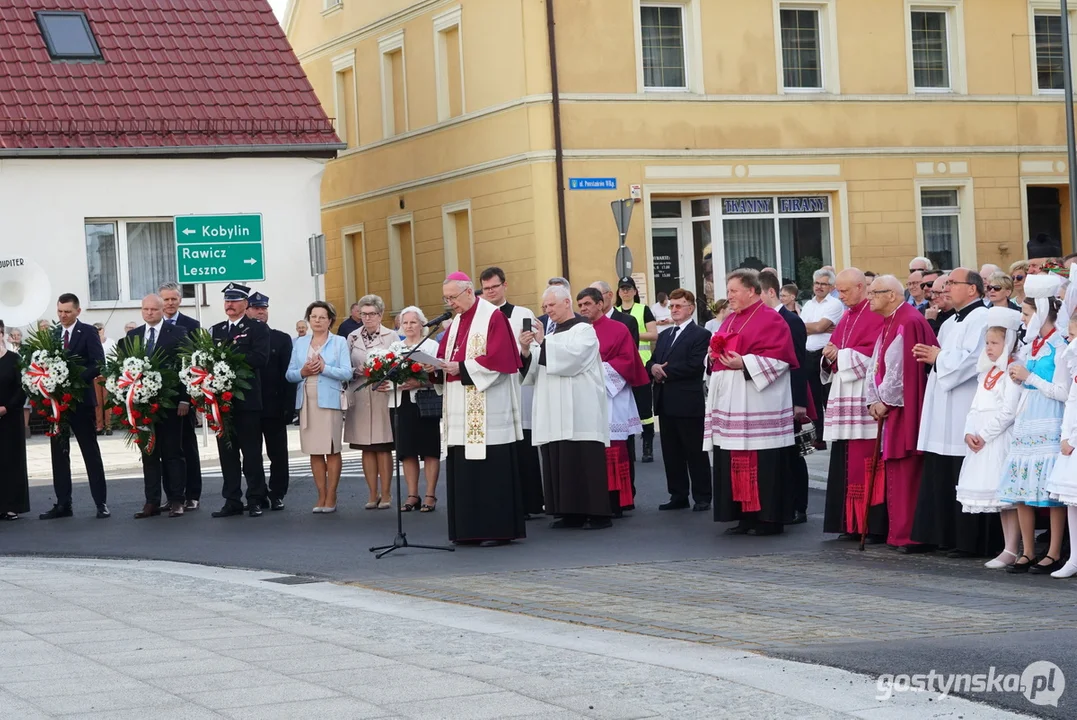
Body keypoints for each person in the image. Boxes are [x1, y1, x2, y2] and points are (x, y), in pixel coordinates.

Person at [911, 268, 998, 558]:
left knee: (961, 469)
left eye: (951, 283)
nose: (945, 288)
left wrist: (938, 358)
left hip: (965, 404)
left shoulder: (984, 318)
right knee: (941, 472)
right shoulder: (950, 323)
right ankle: (944, 536)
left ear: (972, 289)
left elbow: (975, 360)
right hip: (943, 409)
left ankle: (969, 540)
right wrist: (933, 358)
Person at [437, 272, 526, 546]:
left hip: (488, 410)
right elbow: (445, 356)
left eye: (453, 297)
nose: (450, 303)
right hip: (460, 408)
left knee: (490, 470)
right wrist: (433, 366)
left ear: (467, 292)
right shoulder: (456, 322)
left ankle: (496, 530)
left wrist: (461, 368)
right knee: (464, 469)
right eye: (447, 298)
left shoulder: (492, 316)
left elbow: (500, 360)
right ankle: (467, 530)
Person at [708, 270, 798, 536]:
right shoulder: (729, 320)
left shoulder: (771, 319)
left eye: (734, 291)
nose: (729, 297)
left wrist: (743, 363)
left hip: (759, 404)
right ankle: (744, 516)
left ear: (751, 291)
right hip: (732, 403)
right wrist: (712, 357)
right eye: (728, 291)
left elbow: (781, 360)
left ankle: (768, 519)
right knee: (736, 458)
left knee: (762, 462)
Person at [522, 286, 612, 530]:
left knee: (583, 459)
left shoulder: (584, 330)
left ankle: (597, 513)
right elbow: (533, 373)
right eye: (544, 307)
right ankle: (569, 512)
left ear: (566, 303)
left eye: (551, 305)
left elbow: (574, 360)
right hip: (554, 410)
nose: (547, 310)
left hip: (580, 409)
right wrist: (526, 350)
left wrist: (542, 343)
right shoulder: (550, 336)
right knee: (560, 457)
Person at [999, 282, 1068, 573]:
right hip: (1028, 418)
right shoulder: (1034, 346)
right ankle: (1027, 550)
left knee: (1050, 492)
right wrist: (1020, 378)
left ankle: (1053, 551)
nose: (1024, 319)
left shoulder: (1060, 346)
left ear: (1041, 312)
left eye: (1027, 314)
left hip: (1050, 418)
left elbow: (1063, 392)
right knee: (1022, 486)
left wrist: (1031, 377)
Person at [864, 275, 937, 552]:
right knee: (896, 469)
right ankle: (899, 532)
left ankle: (912, 534)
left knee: (908, 470)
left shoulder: (909, 320)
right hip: (893, 408)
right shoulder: (891, 319)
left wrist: (886, 400)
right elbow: (877, 363)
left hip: (907, 409)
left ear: (891, 295)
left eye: (874, 293)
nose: (869, 298)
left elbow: (905, 369)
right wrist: (874, 398)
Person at [821, 269, 888, 542]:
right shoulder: (846, 316)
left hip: (864, 399)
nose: (840, 295)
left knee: (866, 462)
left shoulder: (873, 315)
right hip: (844, 398)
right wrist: (828, 355)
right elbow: (834, 351)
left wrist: (842, 355)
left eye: (845, 290)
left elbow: (877, 354)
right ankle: (849, 523)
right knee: (845, 461)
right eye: (838, 290)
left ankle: (871, 526)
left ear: (861, 287)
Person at [955, 309, 1022, 569]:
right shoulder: (987, 372)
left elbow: (1008, 411)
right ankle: (1008, 547)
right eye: (987, 343)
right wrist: (969, 432)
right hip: (982, 439)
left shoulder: (1011, 371)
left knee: (1006, 497)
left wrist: (983, 434)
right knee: (1000, 499)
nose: (989, 348)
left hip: (999, 438)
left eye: (995, 343)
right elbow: (975, 406)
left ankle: (1012, 547)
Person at [577, 287, 649, 517]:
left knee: (614, 449)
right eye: (580, 305)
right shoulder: (579, 330)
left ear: (601, 303)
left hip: (612, 396)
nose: (583, 309)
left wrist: (597, 373)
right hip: (586, 397)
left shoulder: (618, 329)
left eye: (587, 303)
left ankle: (617, 500)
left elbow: (628, 360)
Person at [39, 293, 109, 520]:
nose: (63, 316)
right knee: (59, 453)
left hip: (80, 401)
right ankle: (63, 503)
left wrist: (73, 378)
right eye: (60, 311)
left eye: (67, 312)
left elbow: (98, 363)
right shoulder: (53, 333)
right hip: (57, 404)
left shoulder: (87, 331)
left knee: (90, 451)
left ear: (78, 311)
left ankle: (101, 502)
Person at [480, 267, 543, 518]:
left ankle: (530, 503)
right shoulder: (479, 317)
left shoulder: (522, 314)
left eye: (494, 287)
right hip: (491, 390)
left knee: (523, 447)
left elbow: (537, 349)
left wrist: (525, 351)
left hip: (518, 386)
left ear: (505, 286)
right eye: (486, 288)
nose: (490, 292)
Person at [122, 294, 190, 519]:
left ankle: (177, 500)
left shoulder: (178, 333)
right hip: (143, 406)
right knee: (149, 454)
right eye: (145, 309)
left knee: (172, 452)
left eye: (153, 309)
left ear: (162, 310)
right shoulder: (133, 336)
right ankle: (151, 501)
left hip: (170, 405)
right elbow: (124, 371)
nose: (149, 313)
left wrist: (184, 399)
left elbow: (186, 366)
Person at [208, 283, 270, 518]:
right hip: (222, 403)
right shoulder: (217, 330)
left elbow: (260, 358)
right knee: (227, 453)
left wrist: (228, 360)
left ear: (245, 304)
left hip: (247, 401)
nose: (230, 305)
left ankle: (255, 498)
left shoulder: (256, 329)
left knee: (251, 452)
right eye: (227, 300)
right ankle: (231, 499)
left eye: (235, 300)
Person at [649, 288, 711, 511]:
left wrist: (664, 372)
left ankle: (703, 496)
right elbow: (652, 361)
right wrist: (653, 367)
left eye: (679, 306)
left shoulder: (701, 334)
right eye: (671, 306)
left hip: (687, 402)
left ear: (691, 308)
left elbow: (695, 365)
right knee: (671, 453)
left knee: (694, 451)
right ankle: (678, 494)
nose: (674, 310)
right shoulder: (665, 335)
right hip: (665, 401)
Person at [286, 301, 351, 513]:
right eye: (314, 316)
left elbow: (346, 372)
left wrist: (324, 367)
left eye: (322, 317)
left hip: (329, 400)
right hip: (307, 400)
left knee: (331, 449)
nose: (317, 320)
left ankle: (331, 494)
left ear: (330, 320)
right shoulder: (300, 343)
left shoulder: (339, 342)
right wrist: (303, 372)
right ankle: (320, 494)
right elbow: (290, 374)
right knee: (314, 451)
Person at [759, 270, 811, 524]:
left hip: (790, 395)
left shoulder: (790, 320)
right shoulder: (766, 318)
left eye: (759, 293)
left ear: (770, 292)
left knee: (793, 452)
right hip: (770, 397)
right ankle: (785, 502)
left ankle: (799, 505)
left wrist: (799, 401)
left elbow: (798, 363)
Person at [381, 306, 442, 514]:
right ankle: (412, 494)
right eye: (405, 322)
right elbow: (387, 376)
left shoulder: (432, 346)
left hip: (425, 402)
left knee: (429, 449)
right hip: (400, 403)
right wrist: (383, 384)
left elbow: (439, 374)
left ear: (421, 324)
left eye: (413, 322)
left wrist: (420, 382)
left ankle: (430, 494)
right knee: (406, 451)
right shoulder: (395, 348)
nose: (408, 326)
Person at [344, 294, 396, 510]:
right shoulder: (352, 337)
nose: (367, 318)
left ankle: (386, 493)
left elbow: (398, 364)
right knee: (366, 446)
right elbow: (345, 365)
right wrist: (357, 370)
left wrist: (381, 371)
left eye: (371, 314)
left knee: (383, 446)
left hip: (382, 393)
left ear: (380, 314)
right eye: (363, 314)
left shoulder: (391, 336)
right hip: (360, 392)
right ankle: (372, 493)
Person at [245, 292, 296, 511]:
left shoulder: (281, 338)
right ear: (246, 310)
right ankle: (257, 495)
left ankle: (277, 493)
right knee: (252, 455)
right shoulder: (240, 337)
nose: (260, 312)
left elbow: (289, 375)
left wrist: (289, 406)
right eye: (256, 308)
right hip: (248, 407)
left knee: (278, 454)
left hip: (274, 405)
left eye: (263, 308)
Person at [159, 282, 202, 510]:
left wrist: (186, 397)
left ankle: (192, 494)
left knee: (187, 445)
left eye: (173, 299)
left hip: (183, 398)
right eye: (165, 299)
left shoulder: (191, 326)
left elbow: (193, 364)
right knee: (167, 448)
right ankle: (173, 494)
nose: (169, 303)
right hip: (160, 399)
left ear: (180, 300)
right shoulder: (154, 325)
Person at [1046, 311, 1077, 577]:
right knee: (1071, 499)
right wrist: (1066, 436)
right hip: (1072, 439)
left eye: (1074, 334)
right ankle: (1074, 557)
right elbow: (1072, 401)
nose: (1070, 339)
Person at [801, 268, 845, 446]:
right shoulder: (808, 305)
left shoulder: (834, 304)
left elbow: (819, 328)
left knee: (827, 397)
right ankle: (819, 436)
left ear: (831, 286)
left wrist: (813, 327)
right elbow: (800, 328)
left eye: (824, 284)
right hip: (807, 354)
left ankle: (833, 435)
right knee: (813, 397)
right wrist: (815, 327)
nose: (819, 287)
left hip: (823, 354)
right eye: (817, 283)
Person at [616, 276, 657, 465]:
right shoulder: (614, 312)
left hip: (642, 364)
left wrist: (631, 332)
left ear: (634, 291)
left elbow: (653, 334)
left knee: (644, 409)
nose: (625, 292)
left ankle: (647, 444)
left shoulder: (643, 310)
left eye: (628, 288)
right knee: (623, 407)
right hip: (620, 368)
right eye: (622, 289)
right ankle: (626, 442)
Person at [0, 322, 28, 521]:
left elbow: (22, 387)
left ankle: (11, 505)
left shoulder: (14, 359)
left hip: (9, 417)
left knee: (10, 460)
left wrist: (6, 407)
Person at [92, 322, 114, 437]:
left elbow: (114, 357)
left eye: (100, 329)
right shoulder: (91, 342)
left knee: (107, 401)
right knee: (98, 402)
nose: (98, 331)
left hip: (107, 375)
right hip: (96, 376)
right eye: (95, 329)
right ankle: (99, 426)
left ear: (103, 329)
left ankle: (109, 425)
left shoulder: (110, 342)